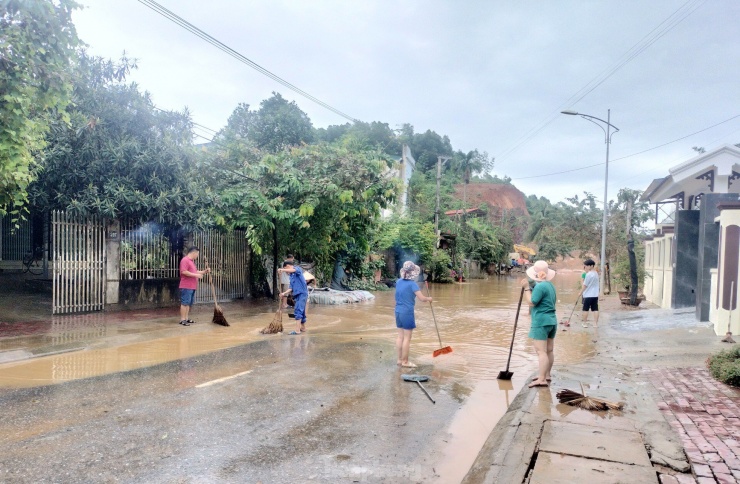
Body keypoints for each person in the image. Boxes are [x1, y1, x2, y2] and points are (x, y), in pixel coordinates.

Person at [522, 260, 557, 388]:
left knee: (541, 351)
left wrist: (526, 288)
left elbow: (532, 302)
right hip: (552, 320)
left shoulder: (540, 286)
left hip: (541, 321)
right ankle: (546, 375)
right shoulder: (550, 285)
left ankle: (541, 379)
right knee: (549, 350)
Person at [394, 261, 433, 368]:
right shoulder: (412, 284)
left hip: (397, 311)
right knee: (407, 338)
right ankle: (405, 362)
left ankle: (399, 360)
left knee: (400, 337)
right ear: (413, 273)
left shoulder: (398, 282)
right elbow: (422, 298)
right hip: (407, 313)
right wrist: (429, 298)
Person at [179, 247, 209, 326]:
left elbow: (194, 271)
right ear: (194, 253)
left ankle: (186, 318)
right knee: (184, 303)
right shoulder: (185, 260)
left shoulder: (191, 261)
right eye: (198, 254)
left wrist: (204, 272)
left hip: (192, 286)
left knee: (188, 303)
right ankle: (182, 319)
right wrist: (197, 275)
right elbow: (184, 272)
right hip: (186, 286)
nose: (197, 256)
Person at [279, 260, 308, 335]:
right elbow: (291, 288)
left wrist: (282, 269)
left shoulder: (297, 269)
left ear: (288, 266)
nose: (286, 272)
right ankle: (303, 328)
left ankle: (297, 330)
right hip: (297, 295)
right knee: (302, 312)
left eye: (286, 269)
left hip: (302, 293)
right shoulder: (291, 277)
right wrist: (284, 293)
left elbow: (293, 270)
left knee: (298, 311)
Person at [581, 259, 600, 327]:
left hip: (588, 295)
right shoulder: (596, 273)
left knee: (585, 309)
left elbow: (585, 285)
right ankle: (595, 324)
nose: (586, 267)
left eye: (587, 266)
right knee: (595, 309)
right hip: (595, 295)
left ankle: (584, 323)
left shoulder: (588, 274)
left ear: (591, 266)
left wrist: (580, 292)